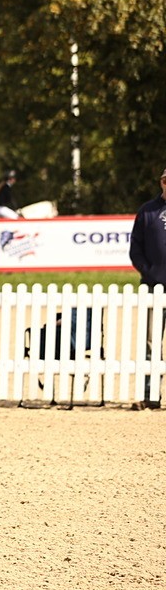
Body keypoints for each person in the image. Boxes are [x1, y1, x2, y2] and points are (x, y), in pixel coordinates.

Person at [129, 167, 166, 409]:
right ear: (163, 182)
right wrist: (151, 273)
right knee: (150, 342)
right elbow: (135, 250)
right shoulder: (147, 211)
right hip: (153, 288)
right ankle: (150, 395)